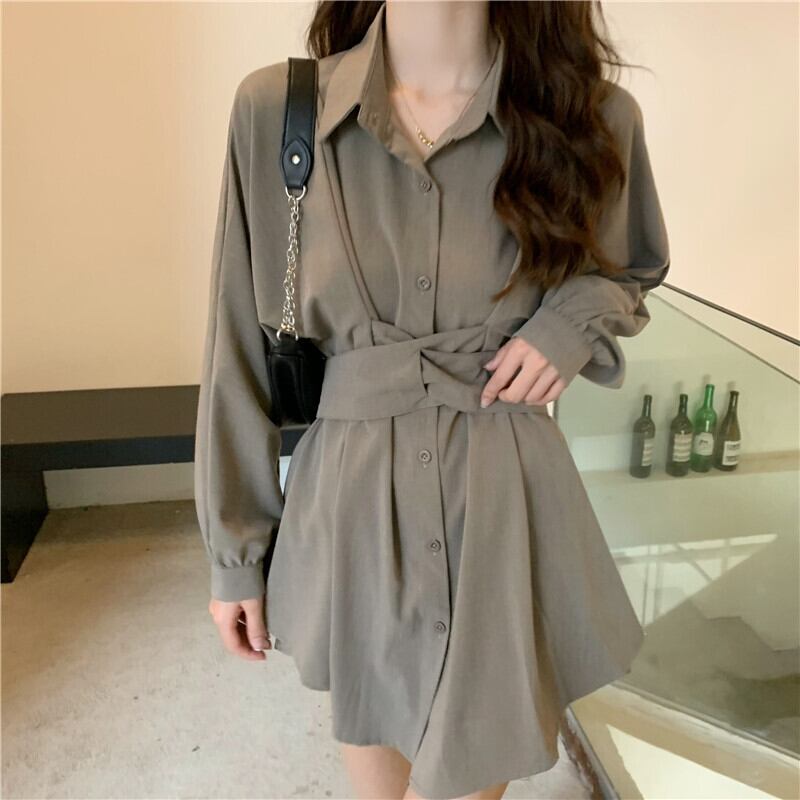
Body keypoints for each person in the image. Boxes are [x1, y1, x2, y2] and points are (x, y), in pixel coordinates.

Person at [193, 1, 670, 798]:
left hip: (501, 502)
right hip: (352, 508)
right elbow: (236, 337)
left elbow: (628, 266)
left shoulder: (591, 116)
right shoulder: (279, 112)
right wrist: (234, 553)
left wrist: (567, 325)